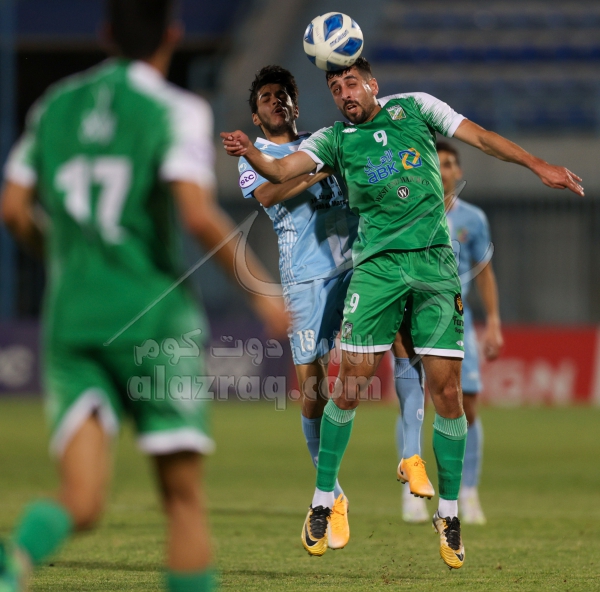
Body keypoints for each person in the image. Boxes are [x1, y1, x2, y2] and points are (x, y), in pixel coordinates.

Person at [221, 56, 583, 569]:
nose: (344, 93)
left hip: (433, 266)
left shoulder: (415, 107)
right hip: (370, 270)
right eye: (335, 87)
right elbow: (276, 174)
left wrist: (537, 164)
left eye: (351, 83)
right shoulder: (331, 140)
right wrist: (250, 152)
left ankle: (448, 511)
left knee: (448, 392)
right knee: (341, 386)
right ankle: (325, 499)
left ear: (372, 84)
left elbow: (480, 137)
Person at [0, 1, 287, 591]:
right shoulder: (174, 109)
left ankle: (14, 559)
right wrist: (264, 294)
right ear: (172, 35)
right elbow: (196, 215)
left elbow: (13, 210)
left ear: (107, 34)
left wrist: (62, 257)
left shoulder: (55, 105)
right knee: (182, 502)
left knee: (82, 499)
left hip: (74, 322)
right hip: (153, 321)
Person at [237, 65, 359, 552]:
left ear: (296, 104)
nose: (276, 100)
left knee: (393, 343)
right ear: (256, 115)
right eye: (267, 96)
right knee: (313, 389)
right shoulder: (257, 155)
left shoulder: (321, 140)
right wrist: (322, 170)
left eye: (283, 93)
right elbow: (268, 194)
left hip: (357, 264)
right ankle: (333, 492)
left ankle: (410, 451)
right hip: (306, 278)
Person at [395, 142, 504, 525]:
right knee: (415, 403)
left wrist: (494, 321)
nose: (443, 170)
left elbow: (484, 271)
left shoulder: (472, 218)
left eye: (449, 164)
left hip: (457, 319)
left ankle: (467, 491)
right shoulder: (406, 209)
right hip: (412, 316)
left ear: (458, 172)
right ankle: (412, 490)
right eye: (437, 163)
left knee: (465, 403)